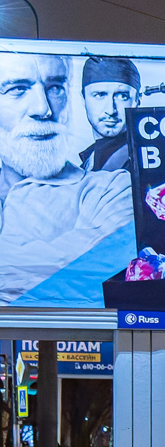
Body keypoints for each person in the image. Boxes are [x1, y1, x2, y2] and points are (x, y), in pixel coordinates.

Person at [0, 53, 134, 304]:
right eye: (18, 89)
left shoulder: (113, 189)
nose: (43, 109)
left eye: (55, 88)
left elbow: (95, 269)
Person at [77, 57, 140, 172]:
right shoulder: (89, 160)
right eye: (99, 95)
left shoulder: (142, 159)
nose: (111, 110)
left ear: (137, 101)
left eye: (122, 96)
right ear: (83, 98)